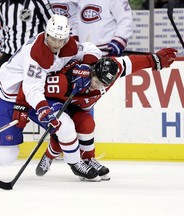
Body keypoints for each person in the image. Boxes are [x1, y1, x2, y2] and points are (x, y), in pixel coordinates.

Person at [0, 14, 103, 182]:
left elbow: (91, 50)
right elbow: (31, 89)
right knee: (8, 155)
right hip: (12, 97)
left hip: (38, 95)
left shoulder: (68, 45)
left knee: (65, 125)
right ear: (46, 34)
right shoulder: (36, 54)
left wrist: (85, 66)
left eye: (61, 40)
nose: (56, 44)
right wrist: (44, 109)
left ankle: (76, 163)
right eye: (53, 39)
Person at [32, 47, 178, 180]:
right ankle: (49, 156)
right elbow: (36, 88)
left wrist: (154, 60)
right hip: (57, 103)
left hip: (77, 108)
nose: (99, 86)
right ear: (93, 72)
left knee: (87, 124)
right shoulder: (67, 80)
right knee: (63, 132)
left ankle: (88, 160)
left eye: (104, 84)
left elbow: (131, 62)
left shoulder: (112, 70)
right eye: (97, 82)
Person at [0, 0, 55, 153]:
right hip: (10, 59)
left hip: (34, 58)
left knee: (46, 99)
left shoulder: (38, 2)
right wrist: (4, 50)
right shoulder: (2, 3)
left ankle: (57, 141)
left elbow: (52, 25)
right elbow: (7, 30)